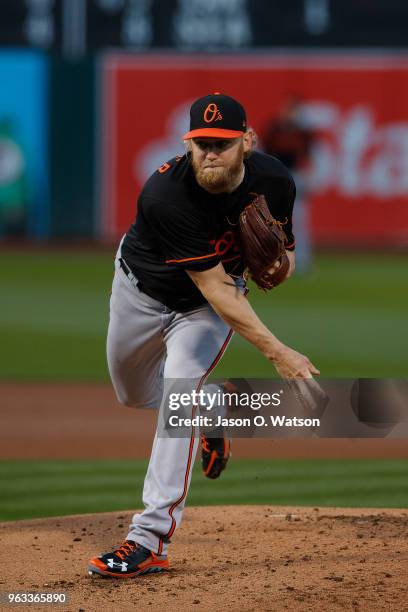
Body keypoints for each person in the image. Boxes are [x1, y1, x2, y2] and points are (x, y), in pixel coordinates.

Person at [88, 93, 319, 579]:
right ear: (187, 144)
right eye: (201, 143)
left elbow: (284, 258)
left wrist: (280, 266)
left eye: (222, 143)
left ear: (247, 142)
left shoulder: (275, 181)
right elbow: (215, 288)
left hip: (203, 314)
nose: (210, 152)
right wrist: (278, 352)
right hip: (141, 292)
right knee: (132, 394)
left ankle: (149, 539)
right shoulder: (165, 194)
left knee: (179, 393)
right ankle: (217, 405)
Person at [262, 95, 315, 273]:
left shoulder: (303, 133)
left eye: (295, 111)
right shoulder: (274, 129)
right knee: (271, 220)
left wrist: (308, 179)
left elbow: (309, 157)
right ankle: (271, 259)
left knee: (299, 220)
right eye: (289, 110)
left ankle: (302, 261)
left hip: (295, 176)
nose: (291, 114)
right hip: (276, 176)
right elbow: (264, 154)